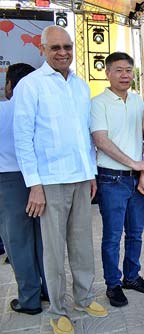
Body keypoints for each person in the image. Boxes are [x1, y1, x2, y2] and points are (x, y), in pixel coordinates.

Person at [13, 26, 108, 334]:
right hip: (50, 182)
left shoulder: (80, 86)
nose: (63, 52)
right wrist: (35, 185)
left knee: (82, 245)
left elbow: (84, 136)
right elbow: (22, 139)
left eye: (67, 46)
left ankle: (83, 297)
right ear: (43, 50)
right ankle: (57, 309)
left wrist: (90, 173)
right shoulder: (31, 86)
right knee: (53, 250)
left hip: (81, 178)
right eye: (55, 47)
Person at [91, 52, 144, 308]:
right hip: (111, 179)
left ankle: (131, 276)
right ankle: (113, 284)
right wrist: (134, 164)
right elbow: (101, 140)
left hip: (136, 180)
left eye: (129, 70)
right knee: (112, 235)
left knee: (136, 233)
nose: (125, 75)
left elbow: (139, 136)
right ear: (107, 73)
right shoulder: (98, 103)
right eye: (119, 70)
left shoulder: (138, 100)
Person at [0, 63, 49, 316]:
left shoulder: (3, 109)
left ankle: (29, 300)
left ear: (9, 85)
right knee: (43, 240)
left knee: (18, 242)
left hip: (8, 182)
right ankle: (49, 290)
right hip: (42, 180)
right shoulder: (41, 109)